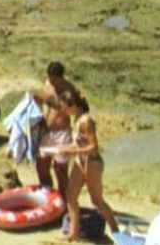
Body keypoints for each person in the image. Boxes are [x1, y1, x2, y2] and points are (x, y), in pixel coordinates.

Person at [60, 92, 120, 240]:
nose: (63, 110)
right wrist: (64, 148)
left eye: (65, 107)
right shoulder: (76, 120)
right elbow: (79, 143)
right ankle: (74, 233)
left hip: (92, 162)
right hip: (81, 160)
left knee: (96, 201)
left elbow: (94, 146)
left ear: (73, 106)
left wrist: (72, 151)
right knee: (70, 195)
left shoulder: (86, 121)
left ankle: (115, 230)